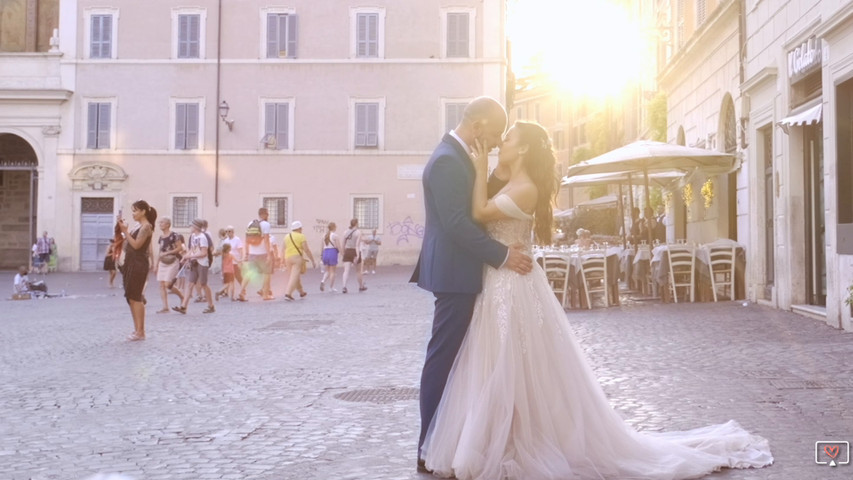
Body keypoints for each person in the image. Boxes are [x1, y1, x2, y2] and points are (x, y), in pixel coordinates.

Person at [420, 121, 774, 479]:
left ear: (524, 148)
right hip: (498, 283)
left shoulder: (526, 188)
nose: (500, 143)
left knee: (516, 363)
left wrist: (479, 169)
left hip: (512, 284)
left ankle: (518, 439)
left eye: (507, 138)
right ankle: (499, 435)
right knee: (496, 363)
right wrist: (488, 169)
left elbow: (479, 213)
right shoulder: (511, 181)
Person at [410, 96, 534, 473]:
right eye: (496, 133)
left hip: (463, 271)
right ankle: (428, 444)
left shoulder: (461, 156)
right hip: (455, 272)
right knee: (444, 360)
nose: (497, 142)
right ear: (478, 126)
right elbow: (457, 224)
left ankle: (453, 440)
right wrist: (501, 254)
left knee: (461, 362)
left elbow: (486, 203)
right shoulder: (449, 160)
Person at [117, 200, 157, 341]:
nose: (133, 214)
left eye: (135, 211)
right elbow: (128, 243)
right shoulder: (137, 226)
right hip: (130, 262)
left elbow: (137, 245)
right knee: (130, 297)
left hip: (138, 263)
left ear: (143, 211)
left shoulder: (146, 227)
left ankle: (141, 331)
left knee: (136, 296)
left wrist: (125, 232)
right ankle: (136, 329)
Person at [173, 218, 215, 314]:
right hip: (194, 263)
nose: (190, 227)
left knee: (204, 284)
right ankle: (183, 307)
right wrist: (185, 257)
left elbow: (204, 253)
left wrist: (191, 256)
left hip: (202, 263)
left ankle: (211, 305)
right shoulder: (192, 236)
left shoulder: (203, 237)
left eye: (191, 225)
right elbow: (192, 249)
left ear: (196, 227)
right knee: (190, 284)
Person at [238, 207, 273, 301]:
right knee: (267, 274)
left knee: (249, 273)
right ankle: (265, 295)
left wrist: (247, 253)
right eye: (267, 214)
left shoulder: (250, 223)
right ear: (265, 214)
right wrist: (269, 255)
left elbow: (246, 240)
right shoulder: (266, 225)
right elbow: (266, 240)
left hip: (252, 253)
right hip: (263, 253)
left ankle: (241, 292)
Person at [154, 217, 185, 313]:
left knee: (168, 284)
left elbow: (180, 248)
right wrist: (156, 264)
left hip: (173, 261)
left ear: (168, 224)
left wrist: (168, 252)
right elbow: (160, 251)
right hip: (163, 262)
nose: (160, 224)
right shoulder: (161, 237)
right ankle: (165, 307)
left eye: (162, 222)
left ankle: (182, 297)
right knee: (161, 285)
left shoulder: (174, 235)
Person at [282, 221, 316, 301]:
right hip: (297, 258)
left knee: (295, 276)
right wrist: (312, 260)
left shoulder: (286, 236)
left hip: (287, 258)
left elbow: (283, 249)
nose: (302, 230)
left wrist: (282, 260)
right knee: (294, 277)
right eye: (301, 228)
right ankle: (288, 293)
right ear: (299, 228)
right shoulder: (301, 236)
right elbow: (306, 249)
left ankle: (301, 292)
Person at [340, 218, 367, 294]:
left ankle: (344, 286)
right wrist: (358, 255)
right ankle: (361, 286)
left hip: (347, 251)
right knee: (358, 271)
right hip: (354, 251)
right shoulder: (358, 232)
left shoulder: (345, 232)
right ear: (356, 224)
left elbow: (343, 244)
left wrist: (343, 253)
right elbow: (357, 245)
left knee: (346, 270)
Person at [319, 222, 341, 292]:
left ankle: (323, 281)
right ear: (334, 227)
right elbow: (338, 246)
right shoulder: (335, 236)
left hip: (325, 252)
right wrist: (342, 253)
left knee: (327, 270)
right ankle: (331, 287)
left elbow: (322, 246)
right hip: (332, 252)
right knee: (333, 272)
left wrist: (321, 255)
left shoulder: (324, 236)